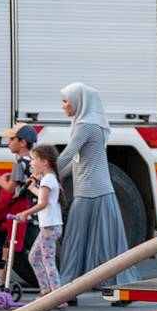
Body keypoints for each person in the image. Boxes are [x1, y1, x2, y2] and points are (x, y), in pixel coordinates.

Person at [56, 83, 140, 300]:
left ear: (78, 102)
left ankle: (67, 290)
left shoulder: (85, 126)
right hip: (98, 191)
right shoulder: (92, 124)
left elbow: (67, 155)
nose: (63, 106)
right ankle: (118, 291)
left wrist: (43, 171)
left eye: (66, 101)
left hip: (90, 193)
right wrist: (52, 175)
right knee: (107, 244)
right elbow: (75, 162)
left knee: (75, 243)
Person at [16, 145, 66, 307]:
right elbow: (45, 197)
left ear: (44, 162)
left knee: (47, 260)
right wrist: (32, 187)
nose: (31, 163)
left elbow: (43, 203)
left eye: (33, 160)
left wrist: (25, 213)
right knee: (35, 257)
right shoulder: (50, 178)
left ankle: (56, 296)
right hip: (51, 226)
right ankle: (46, 291)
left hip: (49, 227)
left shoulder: (47, 180)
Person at [0, 124, 37, 200]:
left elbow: (11, 188)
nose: (9, 142)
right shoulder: (33, 160)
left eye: (12, 139)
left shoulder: (19, 163)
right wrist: (11, 176)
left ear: (23, 143)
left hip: (23, 204)